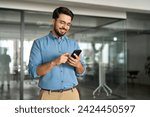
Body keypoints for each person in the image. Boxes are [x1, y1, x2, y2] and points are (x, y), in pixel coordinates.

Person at [28, 7, 86, 100]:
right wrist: (54, 62)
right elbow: (33, 72)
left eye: (68, 24)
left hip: (72, 95)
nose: (65, 27)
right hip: (48, 95)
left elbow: (82, 72)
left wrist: (78, 65)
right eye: (62, 22)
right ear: (53, 21)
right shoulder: (39, 43)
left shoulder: (74, 44)